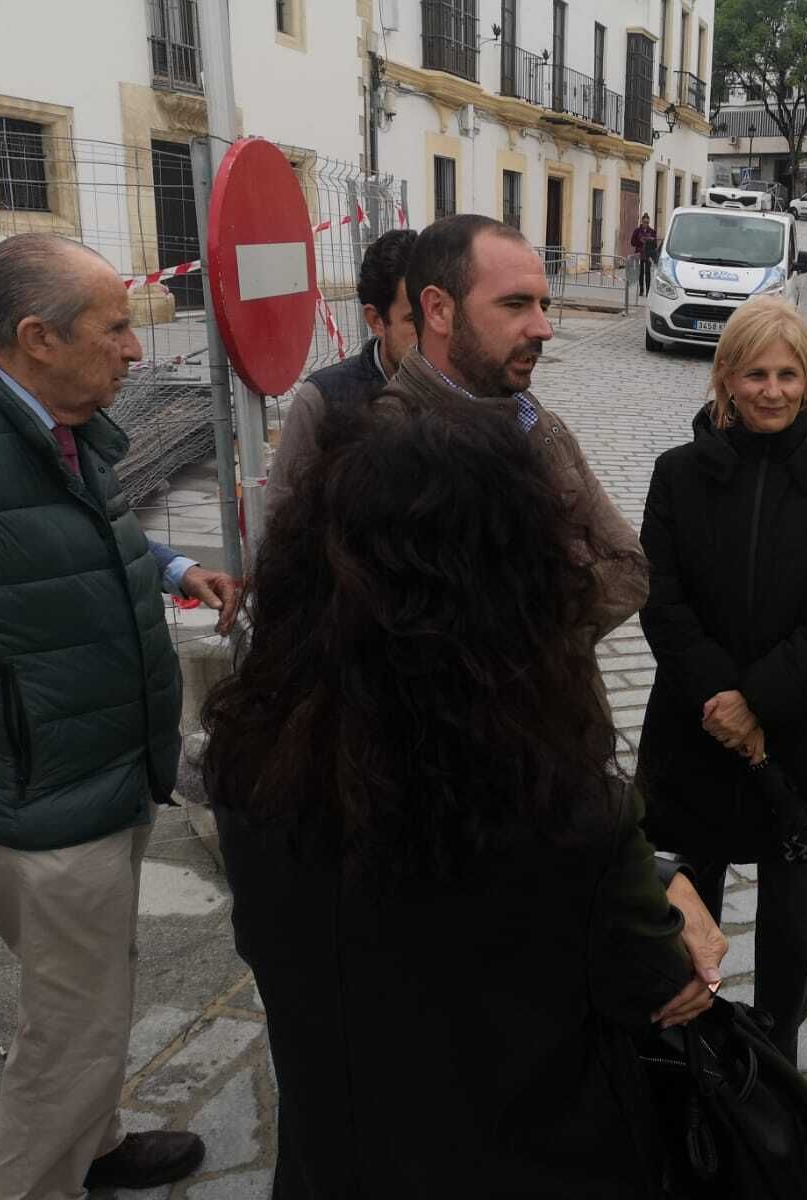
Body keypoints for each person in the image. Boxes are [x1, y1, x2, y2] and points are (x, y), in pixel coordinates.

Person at [204, 387, 728, 1197]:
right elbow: (657, 986)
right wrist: (666, 888)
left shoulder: (248, 767)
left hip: (328, 1164)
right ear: (513, 585)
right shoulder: (566, 813)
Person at [0, 232, 240, 1196]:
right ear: (37, 336)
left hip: (99, 767)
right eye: (115, 327)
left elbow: (72, 533)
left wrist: (166, 568)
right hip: (40, 792)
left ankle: (98, 1142)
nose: (135, 347)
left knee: (92, 994)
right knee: (72, 1027)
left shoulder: (55, 415)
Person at [636, 297, 807, 1065]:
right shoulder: (678, 475)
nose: (772, 390)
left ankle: (780, 1047)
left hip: (800, 728)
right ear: (726, 380)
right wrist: (721, 699)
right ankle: (688, 1037)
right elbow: (661, 595)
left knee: (789, 901)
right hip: (695, 722)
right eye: (755, 374)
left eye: (788, 374)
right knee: (686, 891)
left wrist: (761, 702)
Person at [392, 212, 646, 643]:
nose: (543, 328)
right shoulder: (382, 445)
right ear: (438, 310)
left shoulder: (537, 422)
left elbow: (630, 569)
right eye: (515, 304)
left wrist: (534, 638)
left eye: (542, 305)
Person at [267, 227, 418, 510]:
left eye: (439, 311)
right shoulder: (323, 400)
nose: (432, 332)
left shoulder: (468, 385)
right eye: (413, 320)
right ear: (376, 320)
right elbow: (278, 518)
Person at [631, 212, 659, 298]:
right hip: (639, 254)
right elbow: (632, 242)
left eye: (647, 223)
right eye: (644, 222)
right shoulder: (637, 231)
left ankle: (647, 291)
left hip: (648, 254)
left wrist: (650, 241)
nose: (645, 224)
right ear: (642, 222)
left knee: (647, 273)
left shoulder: (652, 231)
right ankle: (641, 290)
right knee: (640, 273)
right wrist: (640, 241)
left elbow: (655, 245)